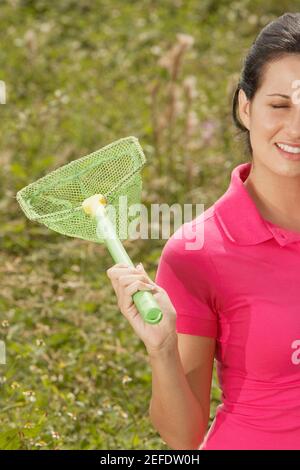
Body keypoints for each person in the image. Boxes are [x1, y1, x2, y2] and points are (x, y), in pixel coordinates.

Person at [106, 12, 300, 450]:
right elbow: (183, 436)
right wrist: (162, 348)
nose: (296, 128)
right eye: (279, 105)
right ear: (245, 107)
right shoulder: (200, 251)